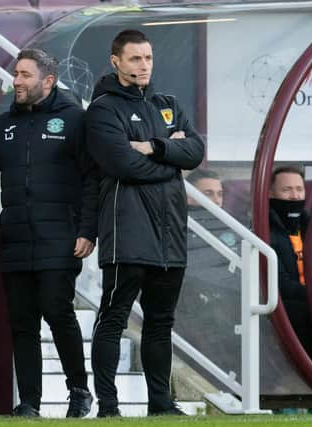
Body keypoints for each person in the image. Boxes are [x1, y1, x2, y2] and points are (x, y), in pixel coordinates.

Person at [0, 48, 97, 418]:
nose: (17, 82)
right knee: (22, 323)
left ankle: (79, 390)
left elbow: (93, 180)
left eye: (25, 75)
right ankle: (29, 403)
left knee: (58, 312)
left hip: (60, 238)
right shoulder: (1, 126)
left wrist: (88, 229)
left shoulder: (75, 121)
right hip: (14, 241)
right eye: (16, 74)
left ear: (48, 81)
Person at [86, 29, 204, 417]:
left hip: (170, 233)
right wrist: (172, 163)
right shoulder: (103, 108)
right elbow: (122, 163)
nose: (143, 66)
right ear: (116, 61)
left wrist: (155, 147)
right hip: (127, 231)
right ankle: (108, 406)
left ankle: (161, 404)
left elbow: (196, 151)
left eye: (148, 58)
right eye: (135, 59)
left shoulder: (167, 103)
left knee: (160, 322)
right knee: (114, 317)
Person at [175, 169, 241, 377]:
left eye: (219, 193)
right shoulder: (176, 224)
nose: (216, 199)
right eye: (208, 193)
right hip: (192, 311)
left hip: (231, 308)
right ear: (188, 195)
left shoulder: (233, 227)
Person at [269, 166, 312, 358]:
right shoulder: (264, 230)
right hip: (290, 310)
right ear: (270, 193)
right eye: (287, 190)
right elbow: (281, 284)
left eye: (299, 189)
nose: (295, 196)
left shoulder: (309, 227)